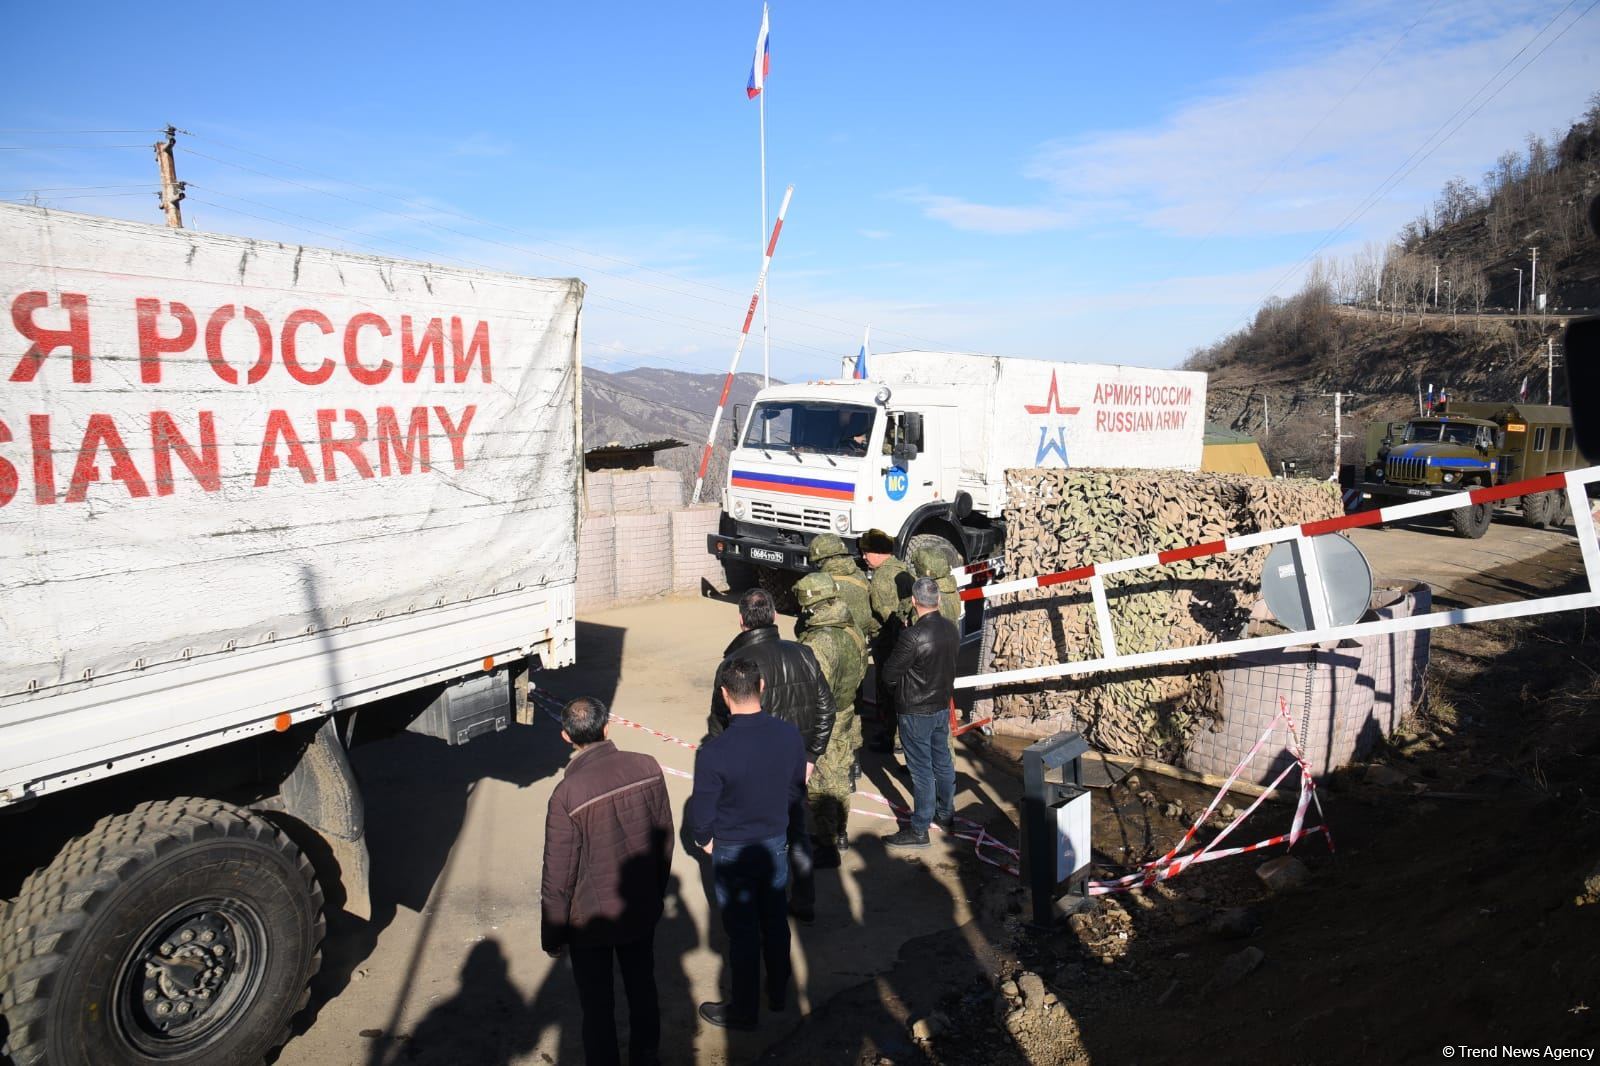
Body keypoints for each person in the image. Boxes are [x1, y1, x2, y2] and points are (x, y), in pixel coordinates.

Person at [541, 697, 674, 1066]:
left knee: (597, 1006)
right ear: (607, 727)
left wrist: (553, 935)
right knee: (642, 987)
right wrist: (655, 893)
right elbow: (664, 837)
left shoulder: (566, 795)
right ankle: (646, 1056)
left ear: (566, 736)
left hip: (591, 921)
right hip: (639, 906)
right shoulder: (647, 767)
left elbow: (558, 876)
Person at [691, 657, 808, 1031]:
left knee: (742, 933)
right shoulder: (789, 735)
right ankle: (778, 992)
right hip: (774, 842)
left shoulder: (714, 752)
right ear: (762, 688)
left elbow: (702, 810)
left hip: (733, 849)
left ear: (724, 696)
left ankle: (744, 1009)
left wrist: (704, 839)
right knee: (775, 920)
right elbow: (795, 789)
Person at [707, 587, 836, 923]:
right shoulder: (804, 654)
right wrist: (811, 756)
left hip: (752, 770)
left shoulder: (733, 667)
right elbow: (827, 709)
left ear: (741, 621)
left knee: (756, 835)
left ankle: (755, 902)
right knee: (796, 832)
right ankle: (803, 898)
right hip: (793, 766)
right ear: (775, 616)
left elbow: (718, 724)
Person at [793, 572, 868, 867]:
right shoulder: (852, 628)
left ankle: (828, 844)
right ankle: (840, 833)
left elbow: (813, 688)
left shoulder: (819, 643)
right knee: (840, 774)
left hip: (826, 717)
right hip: (847, 708)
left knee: (824, 783)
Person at [879, 577, 960, 849]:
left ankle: (919, 828)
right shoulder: (951, 629)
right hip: (939, 706)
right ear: (937, 600)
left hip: (915, 710)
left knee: (922, 771)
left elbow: (889, 673)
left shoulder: (911, 636)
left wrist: (897, 691)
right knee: (943, 762)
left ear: (914, 602)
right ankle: (946, 814)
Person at [859, 528, 913, 753]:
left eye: (867, 552)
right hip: (906, 644)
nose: (864, 557)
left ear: (880, 552)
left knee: (887, 691)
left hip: (888, 643)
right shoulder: (902, 568)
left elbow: (887, 615)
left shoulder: (881, 578)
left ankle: (890, 736)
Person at [803, 534, 873, 639]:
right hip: (859, 640)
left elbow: (804, 623)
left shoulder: (819, 584)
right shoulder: (860, 575)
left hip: (833, 643)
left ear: (820, 560)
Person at [910, 544, 963, 626]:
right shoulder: (951, 589)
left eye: (917, 567)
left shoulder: (929, 595)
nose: (916, 570)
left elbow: (918, 626)